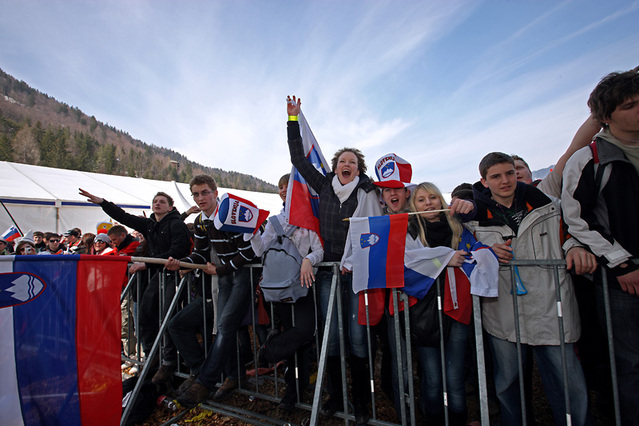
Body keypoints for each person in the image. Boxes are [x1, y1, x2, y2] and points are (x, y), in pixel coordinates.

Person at [466, 152, 596, 426]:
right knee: (508, 382)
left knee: (567, 381)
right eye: (496, 176)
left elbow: (577, 229)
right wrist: (484, 251)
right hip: (503, 311)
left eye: (510, 173)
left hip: (551, 307)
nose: (505, 181)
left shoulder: (549, 205)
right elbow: (462, 250)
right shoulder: (473, 217)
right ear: (484, 181)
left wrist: (575, 245)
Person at [286, 95, 382, 424]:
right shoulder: (324, 185)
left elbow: (375, 231)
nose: (346, 164)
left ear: (358, 170)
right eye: (342, 160)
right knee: (332, 337)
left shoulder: (368, 193)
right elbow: (299, 159)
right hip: (328, 272)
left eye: (352, 162)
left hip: (356, 273)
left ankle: (361, 403)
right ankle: (335, 396)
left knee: (357, 338)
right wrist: (293, 120)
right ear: (336, 165)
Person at [561, 68, 639, 426]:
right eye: (629, 105)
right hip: (624, 278)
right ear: (605, 116)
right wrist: (622, 264)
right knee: (629, 360)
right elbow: (577, 218)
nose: (638, 109)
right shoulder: (588, 160)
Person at [79, 188, 191, 384]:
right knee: (146, 314)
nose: (157, 203)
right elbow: (123, 217)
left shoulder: (176, 224)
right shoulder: (148, 225)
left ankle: (169, 360)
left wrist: (147, 262)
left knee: (167, 318)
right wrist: (102, 202)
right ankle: (152, 357)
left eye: (162, 201)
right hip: (157, 274)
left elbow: (179, 250)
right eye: (155, 201)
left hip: (174, 275)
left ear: (171, 207)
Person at [171, 175, 256, 406]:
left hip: (243, 274)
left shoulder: (232, 213)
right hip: (225, 274)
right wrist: (184, 263)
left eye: (205, 192)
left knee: (226, 325)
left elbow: (250, 252)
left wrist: (222, 269)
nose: (201, 198)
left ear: (216, 192)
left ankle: (204, 383)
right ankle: (232, 377)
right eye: (196, 194)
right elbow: (200, 252)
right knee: (222, 327)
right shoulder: (199, 221)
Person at [247, 173, 323, 412]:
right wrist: (250, 232)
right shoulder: (274, 221)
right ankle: (292, 393)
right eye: (280, 187)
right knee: (296, 343)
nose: (283, 191)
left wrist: (309, 259)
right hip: (279, 287)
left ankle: (270, 349)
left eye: (288, 186)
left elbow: (319, 250)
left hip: (303, 285)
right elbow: (261, 251)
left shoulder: (310, 217)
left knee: (304, 332)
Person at [405, 182, 477, 425]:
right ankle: (433, 419)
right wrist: (445, 259)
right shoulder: (410, 232)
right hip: (425, 312)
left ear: (441, 200)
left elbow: (476, 253)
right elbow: (407, 264)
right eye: (421, 199)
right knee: (433, 377)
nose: (428, 203)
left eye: (433, 197)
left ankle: (458, 420)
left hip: (457, 309)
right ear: (413, 205)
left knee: (455, 377)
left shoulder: (458, 227)